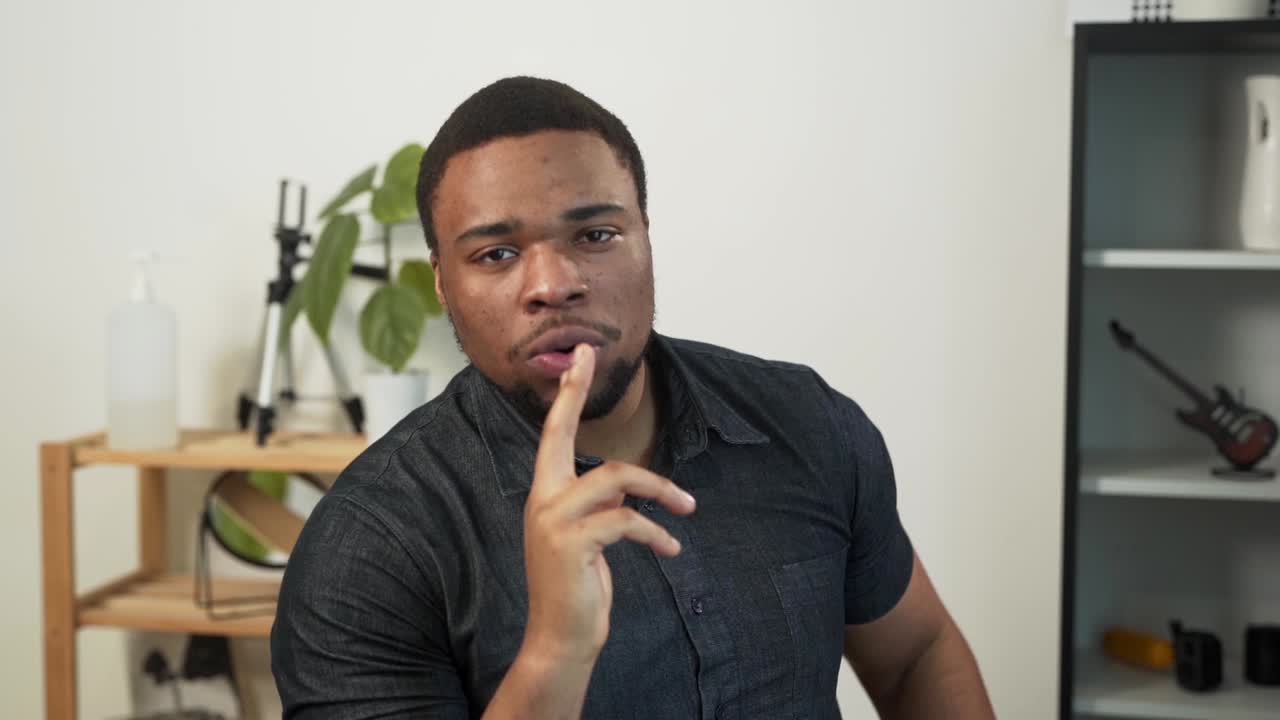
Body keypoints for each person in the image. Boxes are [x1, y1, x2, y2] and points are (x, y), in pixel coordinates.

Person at [271, 76, 993, 719]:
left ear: (646, 235)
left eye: (595, 234)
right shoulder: (368, 549)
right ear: (441, 281)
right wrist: (555, 652)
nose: (554, 285)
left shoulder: (807, 422)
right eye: (497, 253)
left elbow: (915, 655)